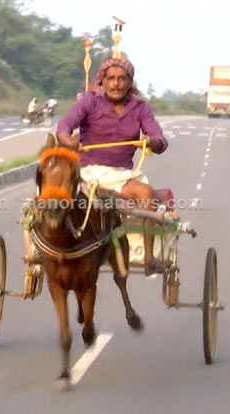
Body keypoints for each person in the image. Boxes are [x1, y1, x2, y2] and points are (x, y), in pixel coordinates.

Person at [56, 57, 168, 275]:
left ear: (130, 82)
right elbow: (64, 126)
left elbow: (159, 139)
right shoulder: (89, 101)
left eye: (121, 79)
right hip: (89, 173)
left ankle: (149, 259)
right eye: (111, 79)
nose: (116, 84)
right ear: (103, 81)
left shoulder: (140, 108)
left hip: (121, 175)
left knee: (145, 192)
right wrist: (69, 142)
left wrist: (152, 142)